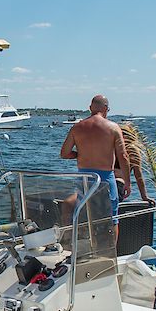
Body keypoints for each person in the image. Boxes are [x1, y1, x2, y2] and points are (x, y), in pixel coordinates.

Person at [59, 94, 130, 227]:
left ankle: (84, 244)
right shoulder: (113, 128)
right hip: (105, 177)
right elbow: (123, 156)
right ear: (106, 109)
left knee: (85, 214)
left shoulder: (77, 127)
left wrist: (80, 154)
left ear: (90, 108)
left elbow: (64, 153)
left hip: (84, 178)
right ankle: (111, 248)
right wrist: (127, 182)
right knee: (111, 218)